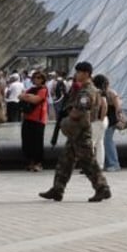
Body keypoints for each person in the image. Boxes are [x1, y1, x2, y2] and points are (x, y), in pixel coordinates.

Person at [39, 62, 111, 202]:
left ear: (85, 73)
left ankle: (102, 188)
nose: (76, 75)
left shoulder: (87, 91)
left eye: (78, 72)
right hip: (76, 133)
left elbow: (80, 110)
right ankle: (57, 189)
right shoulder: (84, 89)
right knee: (65, 161)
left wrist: (68, 118)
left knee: (88, 162)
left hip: (81, 132)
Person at [19, 71, 48, 172]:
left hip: (38, 119)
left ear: (43, 79)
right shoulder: (32, 89)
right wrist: (28, 97)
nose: (37, 79)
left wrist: (26, 97)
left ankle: (38, 163)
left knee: (37, 142)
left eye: (39, 78)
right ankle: (30, 162)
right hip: (28, 118)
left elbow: (36, 100)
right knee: (27, 141)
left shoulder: (43, 89)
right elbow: (20, 96)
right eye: (35, 77)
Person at [101, 77, 122, 172]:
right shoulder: (105, 92)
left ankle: (114, 163)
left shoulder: (111, 93)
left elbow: (118, 107)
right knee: (106, 142)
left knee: (107, 141)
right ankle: (109, 163)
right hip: (108, 120)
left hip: (111, 120)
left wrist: (119, 117)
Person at [90, 74, 109, 169]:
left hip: (97, 120)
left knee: (91, 143)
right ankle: (99, 165)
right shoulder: (104, 92)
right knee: (100, 142)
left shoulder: (98, 93)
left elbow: (104, 106)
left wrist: (100, 119)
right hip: (103, 120)